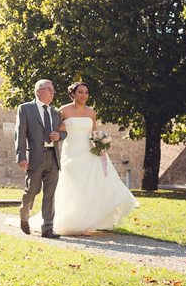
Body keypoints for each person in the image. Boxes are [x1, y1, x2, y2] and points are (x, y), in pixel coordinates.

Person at [29, 81, 139, 235]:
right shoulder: (63, 110)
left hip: (89, 153)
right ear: (73, 94)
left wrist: (100, 143)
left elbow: (93, 133)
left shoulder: (91, 112)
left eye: (86, 92)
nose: (84, 95)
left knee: (90, 187)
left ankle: (85, 223)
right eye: (80, 92)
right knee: (75, 186)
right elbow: (55, 130)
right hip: (71, 153)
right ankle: (70, 222)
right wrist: (59, 131)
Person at [15, 79, 67, 239]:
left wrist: (60, 135)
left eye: (53, 90)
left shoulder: (56, 112)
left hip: (53, 156)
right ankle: (24, 217)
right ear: (38, 91)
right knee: (32, 191)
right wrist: (21, 156)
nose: (52, 92)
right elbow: (20, 133)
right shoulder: (25, 109)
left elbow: (64, 132)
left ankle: (47, 228)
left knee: (50, 194)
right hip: (35, 157)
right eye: (48, 89)